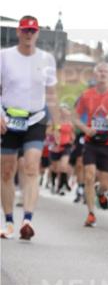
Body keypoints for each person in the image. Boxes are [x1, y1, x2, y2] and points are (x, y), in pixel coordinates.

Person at [0, 15, 60, 240]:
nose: (28, 34)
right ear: (18, 32)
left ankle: (27, 219)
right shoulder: (4, 56)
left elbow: (51, 93)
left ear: (37, 34)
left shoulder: (47, 59)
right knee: (6, 171)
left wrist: (55, 120)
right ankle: (8, 222)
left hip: (36, 119)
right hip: (8, 120)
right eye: (25, 30)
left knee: (32, 166)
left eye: (32, 31)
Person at [74, 62, 108, 226]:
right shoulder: (86, 95)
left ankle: (101, 193)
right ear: (95, 75)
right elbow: (75, 117)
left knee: (105, 182)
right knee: (89, 175)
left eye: (106, 72)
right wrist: (85, 128)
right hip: (91, 141)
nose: (103, 74)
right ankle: (91, 214)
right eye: (100, 71)